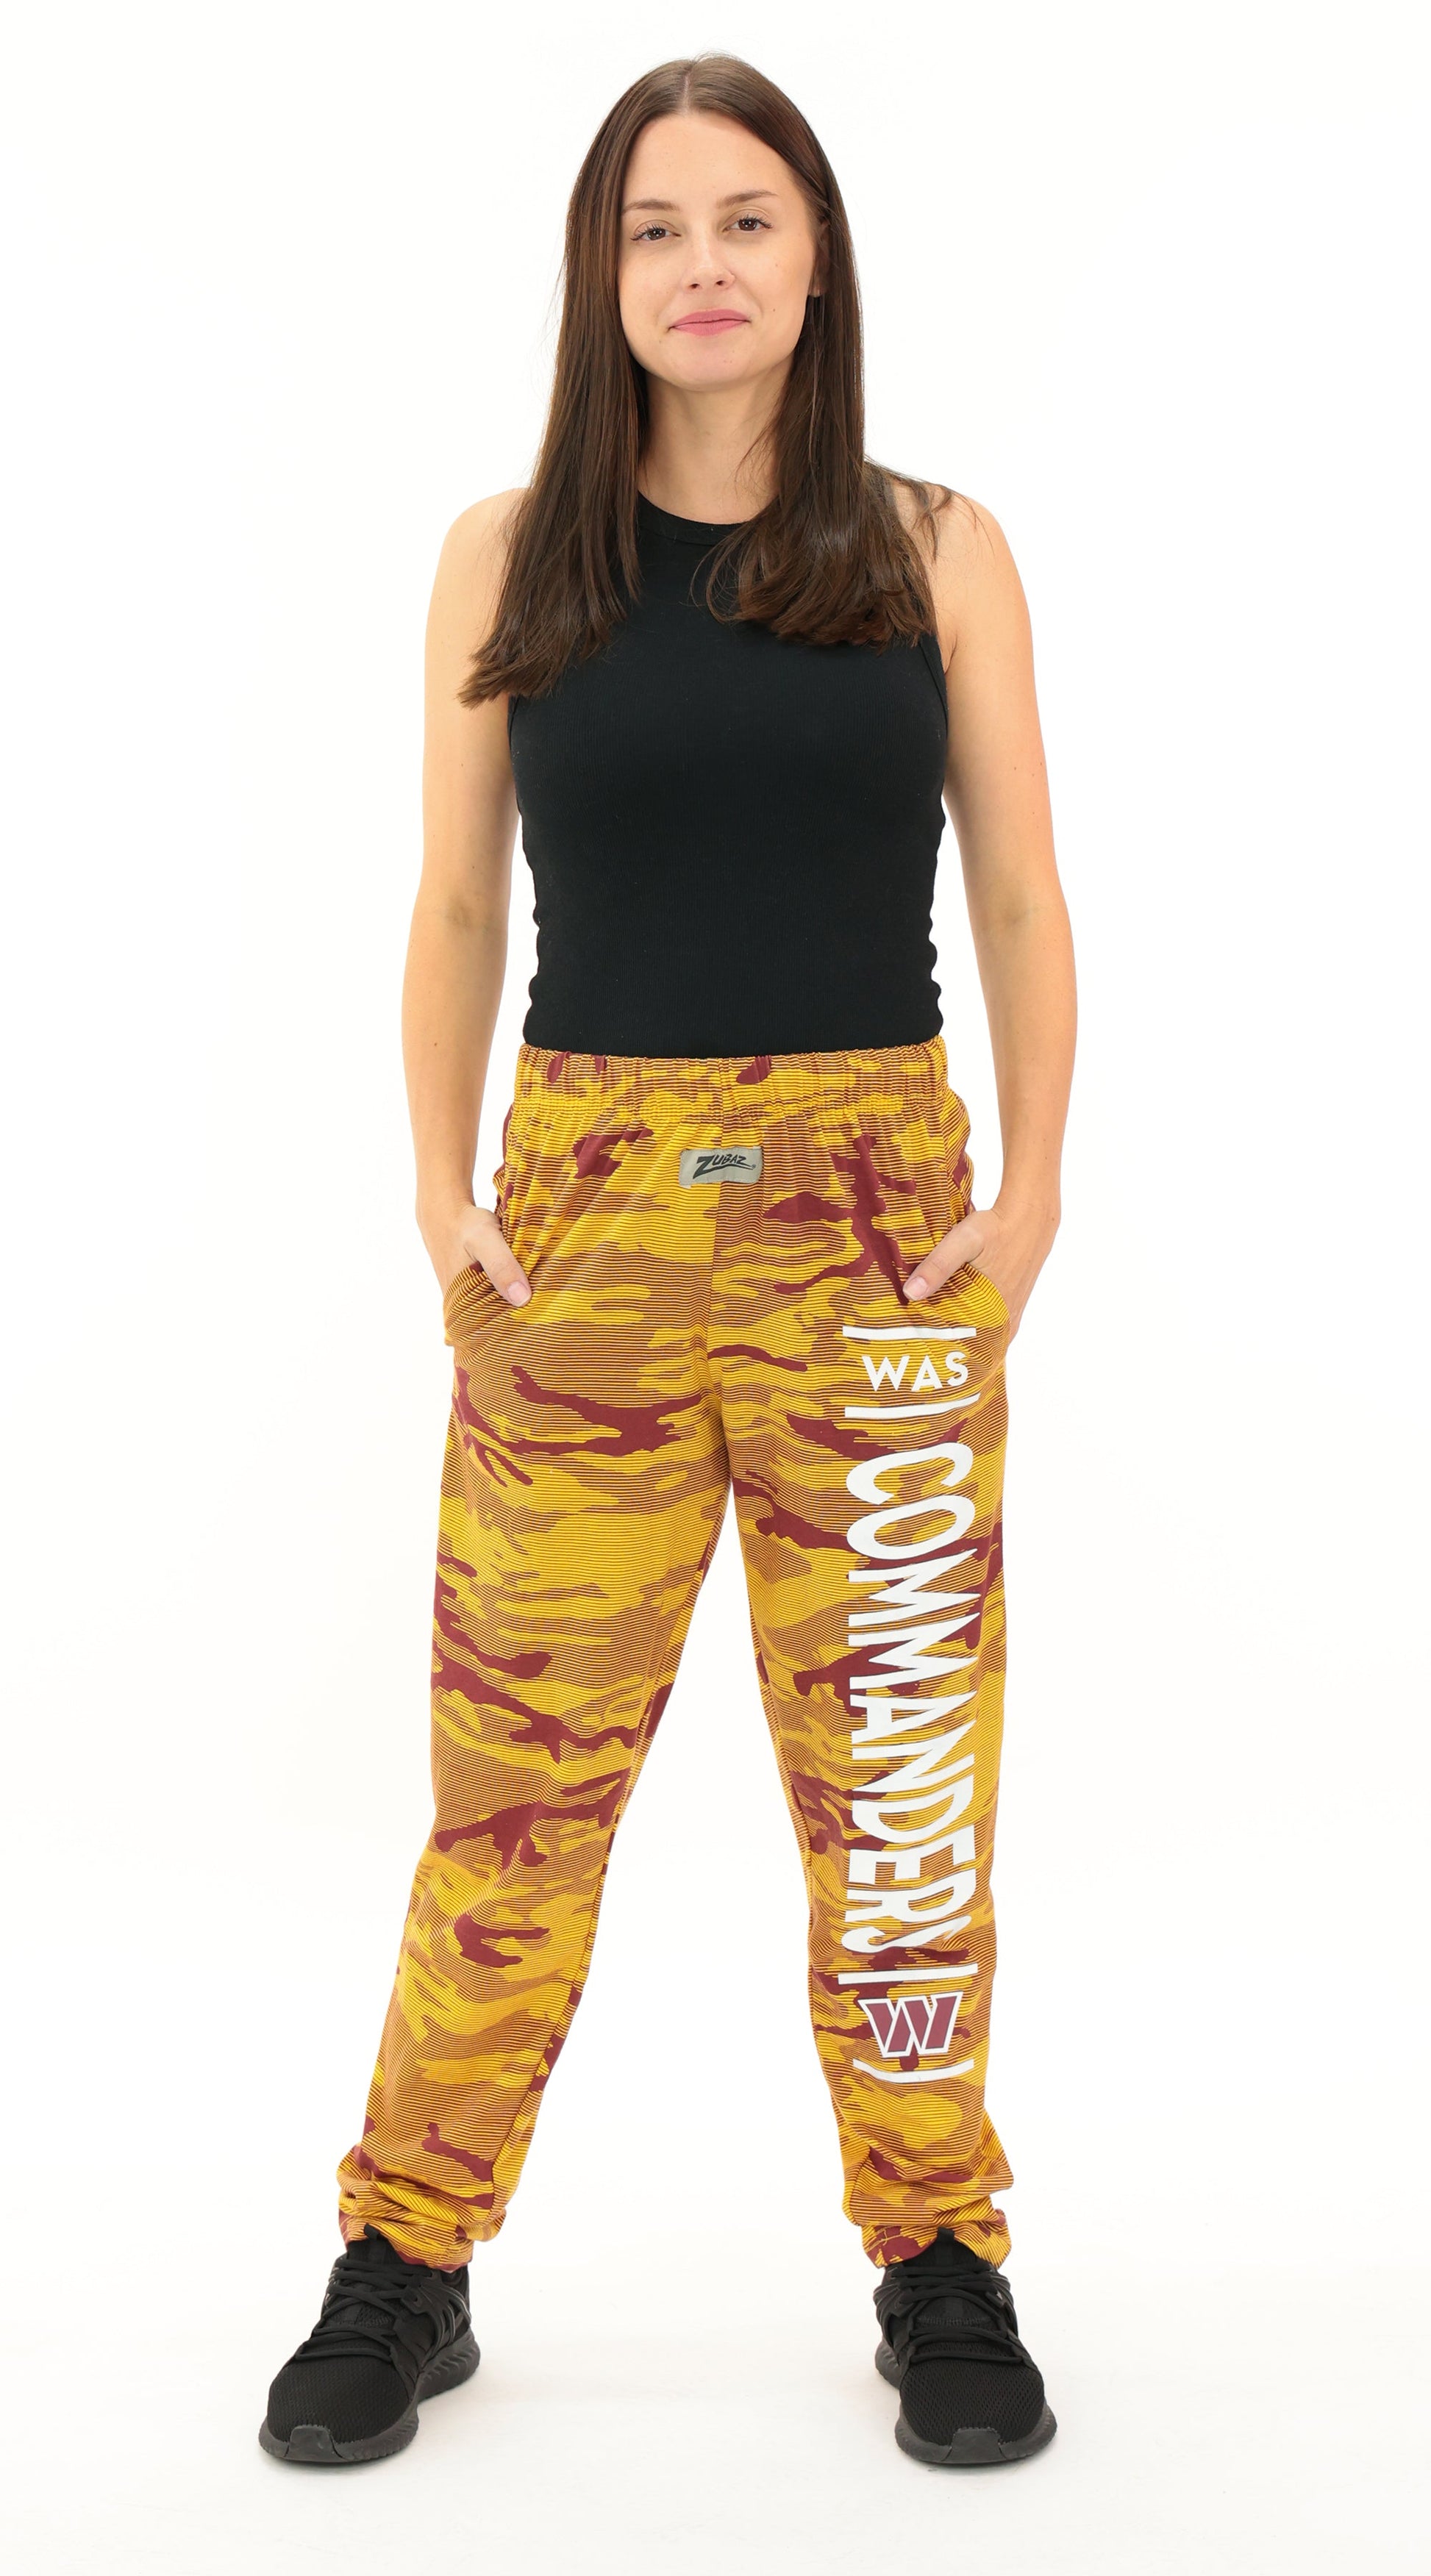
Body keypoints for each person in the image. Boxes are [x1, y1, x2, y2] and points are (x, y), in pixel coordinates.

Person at [260, 51, 1075, 2474]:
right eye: (652, 228)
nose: (699, 265)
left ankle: (938, 2255)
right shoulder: (510, 556)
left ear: (813, 259)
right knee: (510, 1798)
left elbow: (1018, 894)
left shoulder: (934, 548)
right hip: (584, 1223)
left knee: (897, 1783)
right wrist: (440, 1199)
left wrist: (1028, 1202)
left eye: (743, 218)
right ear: (598, 277)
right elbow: (453, 905)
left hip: (876, 1238)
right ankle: (408, 2257)